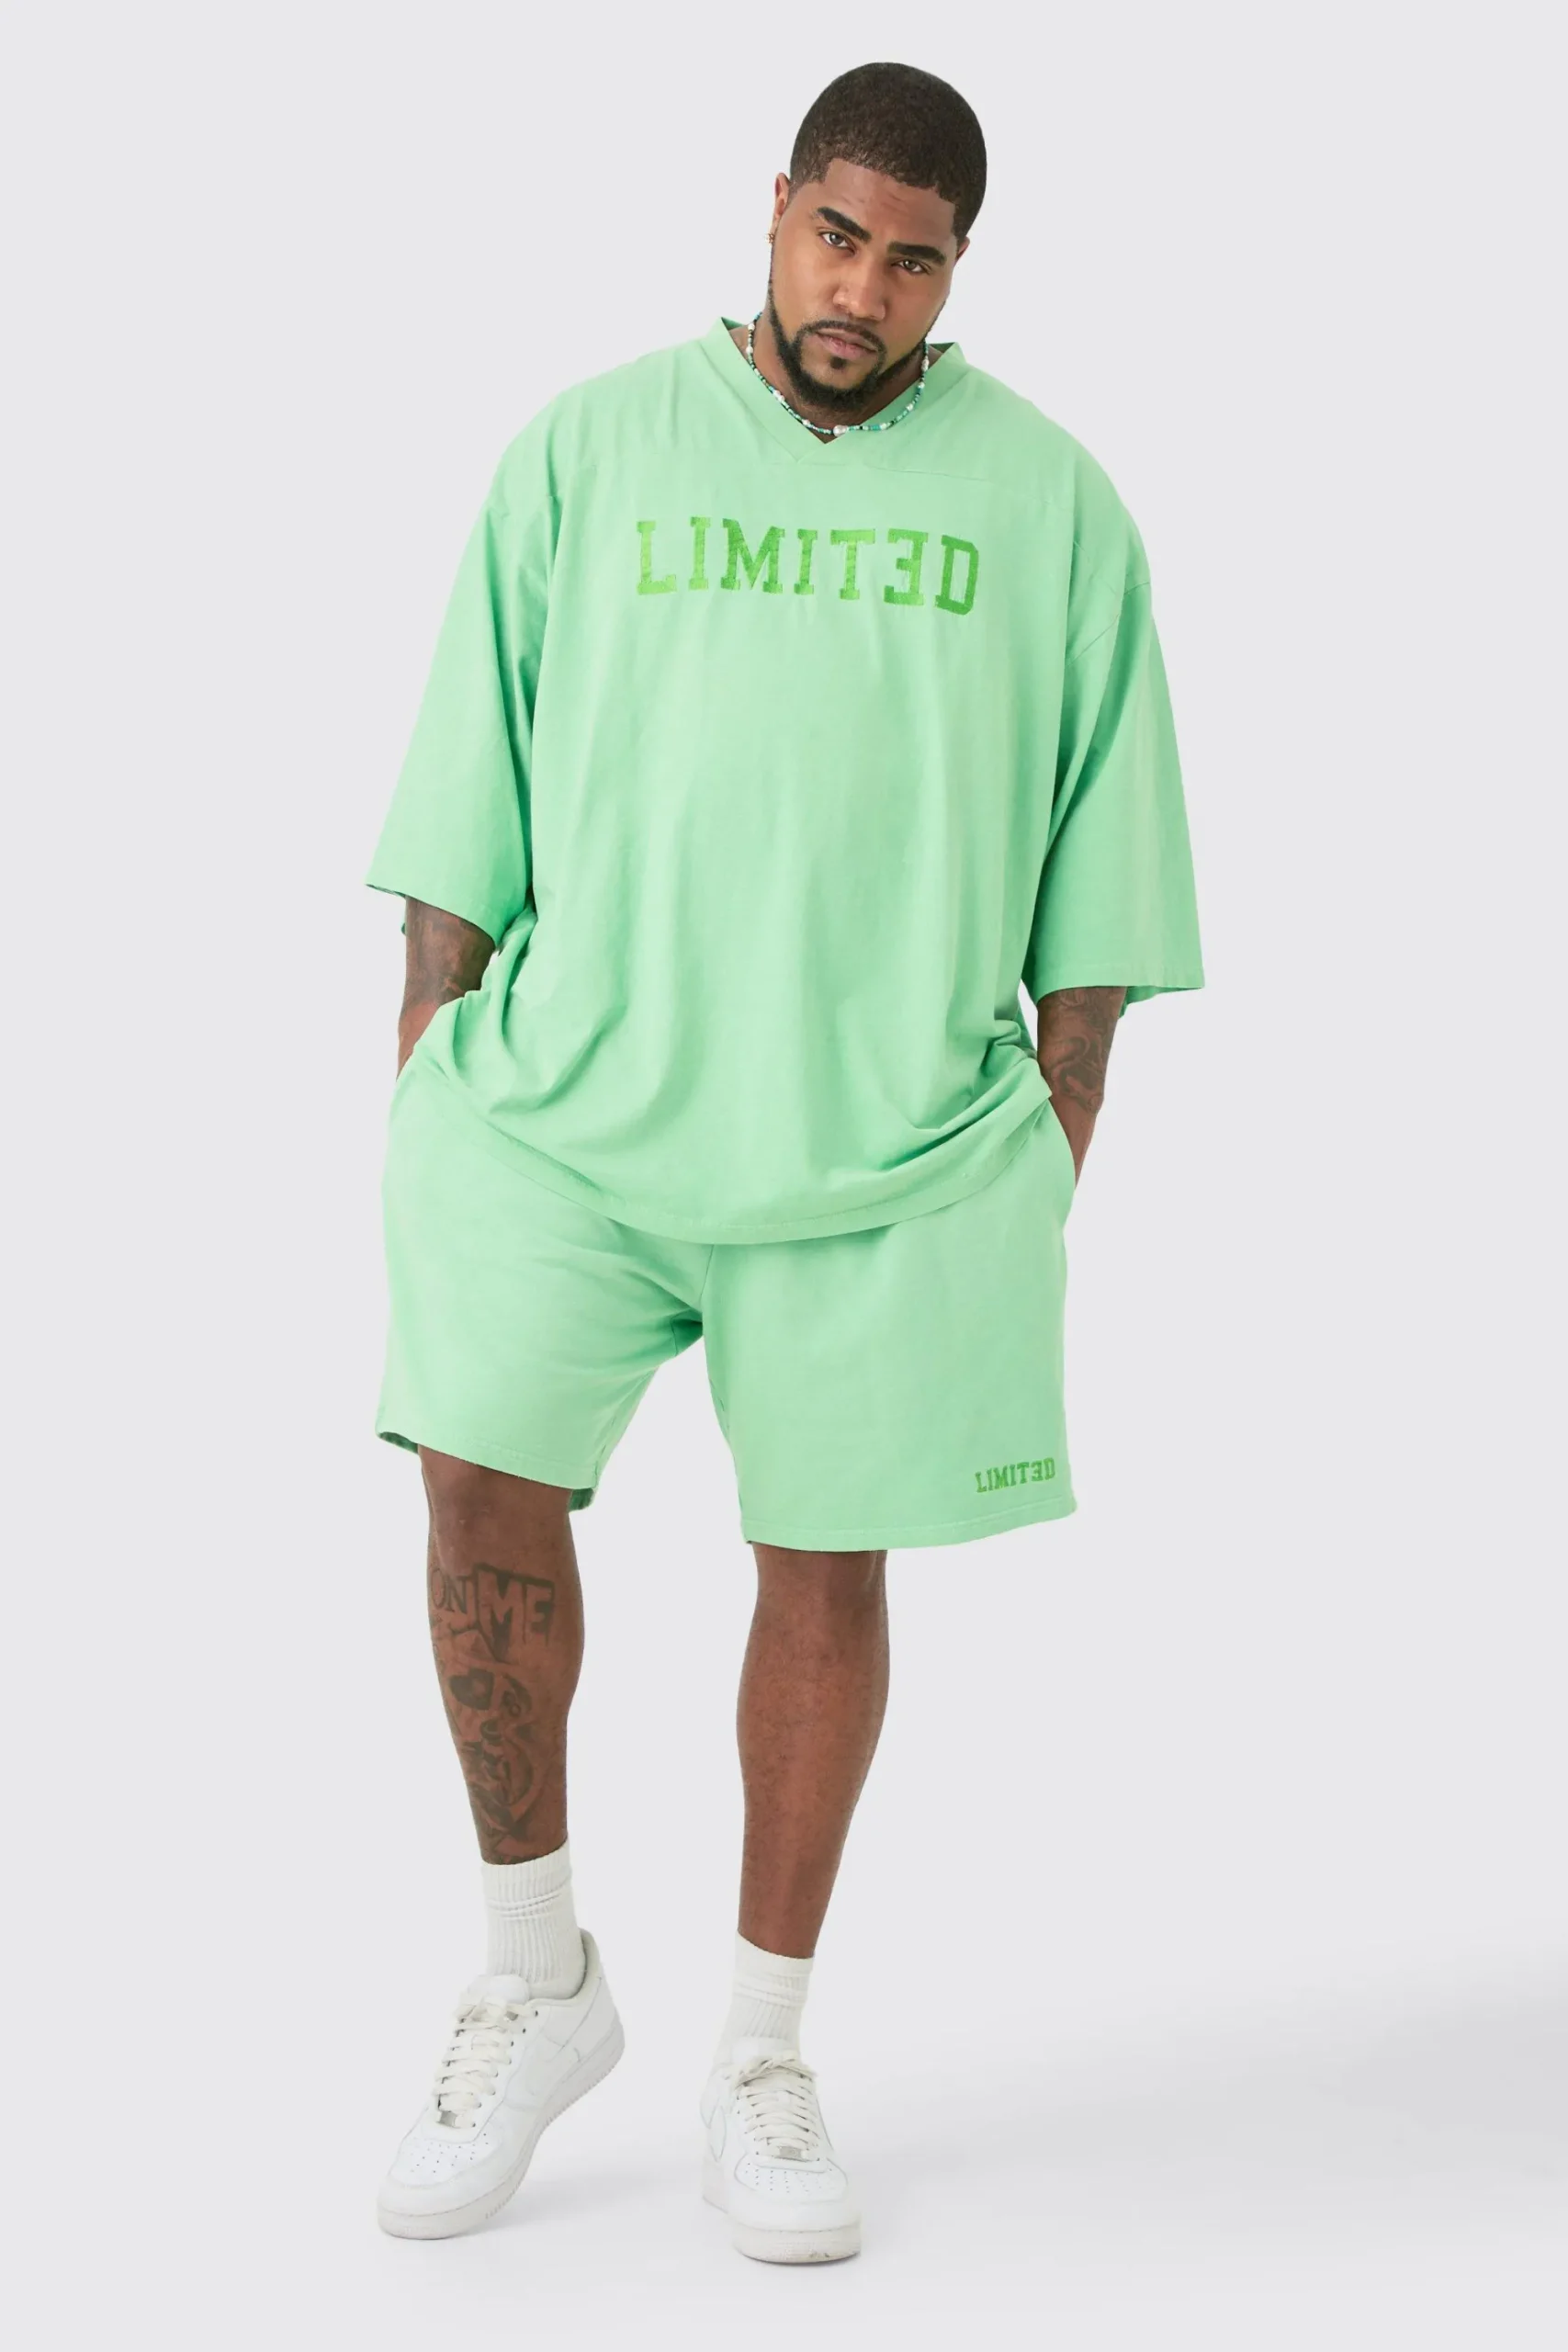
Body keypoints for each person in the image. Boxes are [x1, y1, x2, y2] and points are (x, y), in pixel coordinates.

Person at [367, 60, 1202, 2262]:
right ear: (774, 211)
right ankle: (534, 1977)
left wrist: (1057, 1122)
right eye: (836, 235)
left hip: (887, 1154)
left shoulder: (1051, 503)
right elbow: (470, 766)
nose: (863, 288)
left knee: (825, 1563)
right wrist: (428, 1059)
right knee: (474, 1484)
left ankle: (759, 2045)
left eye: (912, 258)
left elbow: (1104, 851)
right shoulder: (587, 448)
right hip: (563, 1118)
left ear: (957, 267)